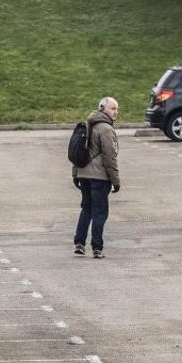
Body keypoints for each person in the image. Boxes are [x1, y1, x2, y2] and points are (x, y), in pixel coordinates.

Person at [73, 96, 120, 259]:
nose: (116, 112)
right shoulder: (105, 129)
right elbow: (110, 157)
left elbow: (78, 152)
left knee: (86, 208)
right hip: (99, 177)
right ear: (103, 109)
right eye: (113, 109)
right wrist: (115, 180)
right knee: (100, 212)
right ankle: (97, 247)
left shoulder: (88, 125)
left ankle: (79, 243)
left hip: (84, 174)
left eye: (117, 109)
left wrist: (76, 174)